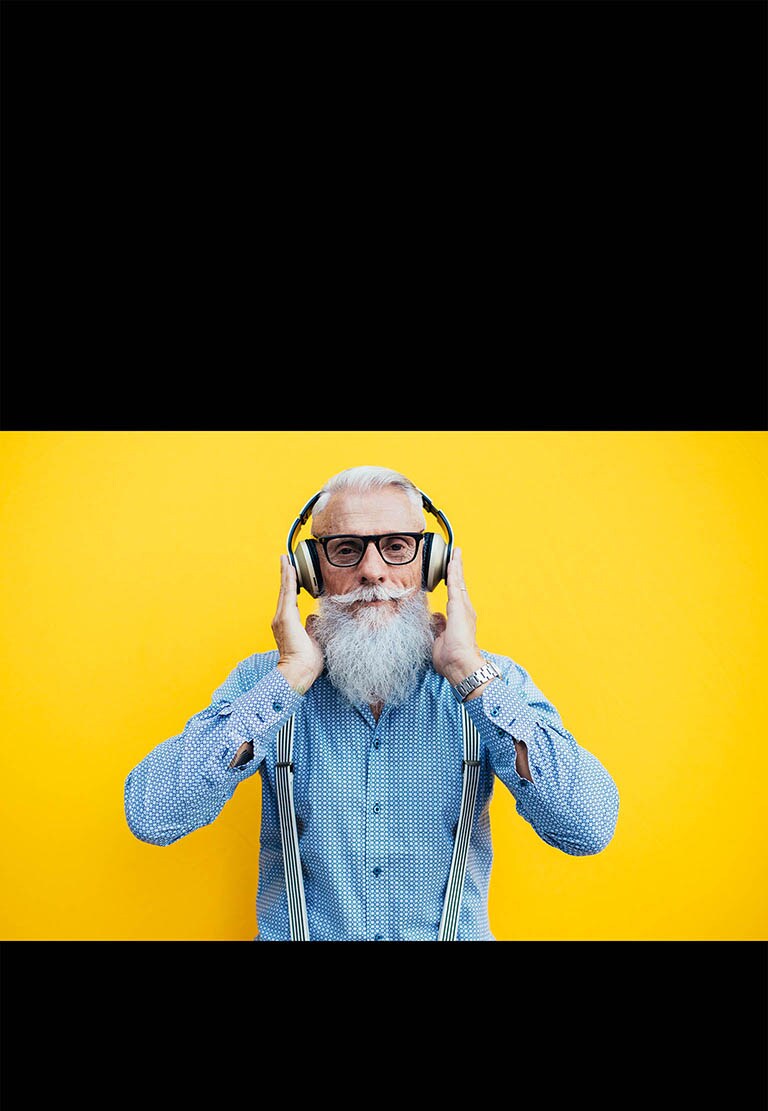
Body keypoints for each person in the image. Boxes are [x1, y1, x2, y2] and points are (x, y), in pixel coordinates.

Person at [124, 465, 619, 941]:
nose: (372, 572)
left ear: (432, 566)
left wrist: (470, 673)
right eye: (345, 550)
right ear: (312, 573)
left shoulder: (493, 682)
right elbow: (153, 814)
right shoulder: (264, 682)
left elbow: (587, 826)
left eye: (397, 547)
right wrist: (288, 679)